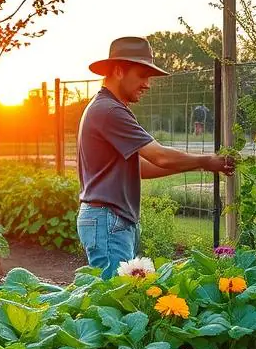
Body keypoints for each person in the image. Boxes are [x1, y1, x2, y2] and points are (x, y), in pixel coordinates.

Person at [76, 36, 235, 277]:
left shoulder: (108, 108)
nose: (148, 84)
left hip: (111, 219)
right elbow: (160, 155)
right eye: (142, 75)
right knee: (112, 302)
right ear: (118, 70)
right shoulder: (110, 111)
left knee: (121, 298)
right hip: (107, 220)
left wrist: (200, 166)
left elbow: (141, 167)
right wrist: (204, 160)